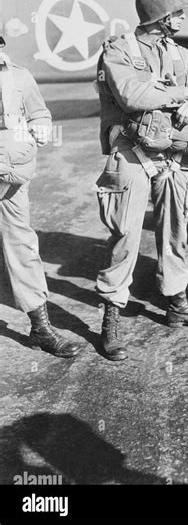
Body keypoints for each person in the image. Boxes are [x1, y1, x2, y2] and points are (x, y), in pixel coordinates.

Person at [95, 0, 188, 362]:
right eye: (178, 12)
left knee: (176, 230)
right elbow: (132, 95)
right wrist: (186, 95)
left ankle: (177, 301)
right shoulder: (119, 51)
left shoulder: (182, 55)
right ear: (161, 17)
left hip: (172, 153)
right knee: (124, 234)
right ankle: (111, 316)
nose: (184, 17)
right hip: (131, 151)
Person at [0, 22, 80, 358]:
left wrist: (38, 132)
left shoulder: (18, 76)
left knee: (21, 246)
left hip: (11, 176)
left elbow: (39, 112)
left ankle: (40, 327)